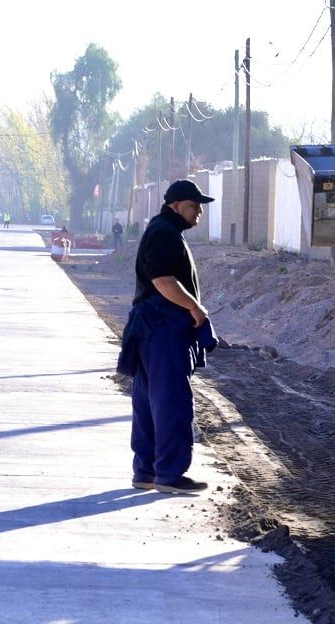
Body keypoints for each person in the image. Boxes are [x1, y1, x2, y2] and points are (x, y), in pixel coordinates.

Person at [117, 179, 216, 494]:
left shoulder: (164, 230)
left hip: (150, 328)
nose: (199, 210)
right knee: (171, 401)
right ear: (176, 205)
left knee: (148, 402)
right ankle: (169, 475)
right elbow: (163, 280)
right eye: (194, 204)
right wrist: (196, 309)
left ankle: (145, 471)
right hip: (162, 327)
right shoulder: (164, 233)